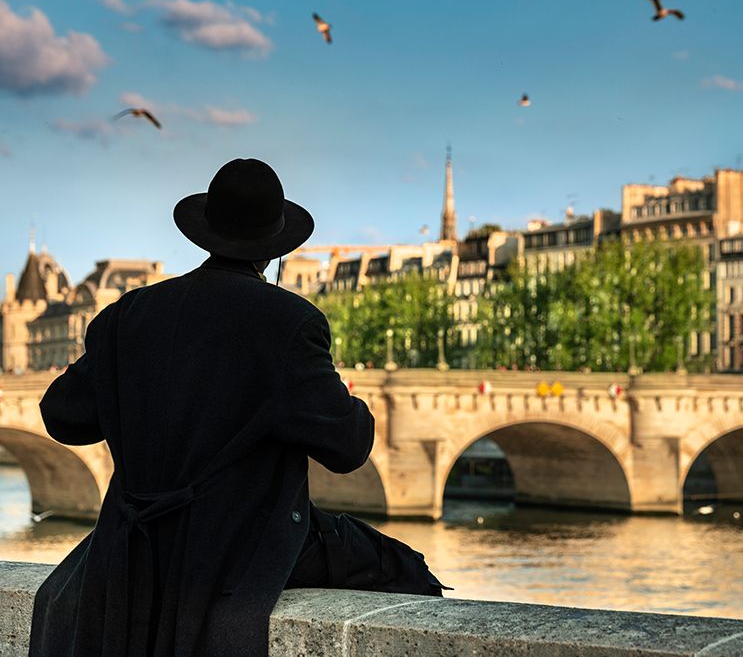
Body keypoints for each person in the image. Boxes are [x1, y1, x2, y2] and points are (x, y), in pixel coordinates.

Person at [28, 159, 444, 657]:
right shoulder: (290, 322)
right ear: (274, 249)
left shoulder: (128, 314)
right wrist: (342, 399)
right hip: (239, 546)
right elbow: (349, 448)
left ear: (206, 234)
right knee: (403, 568)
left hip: (135, 541)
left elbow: (63, 417)